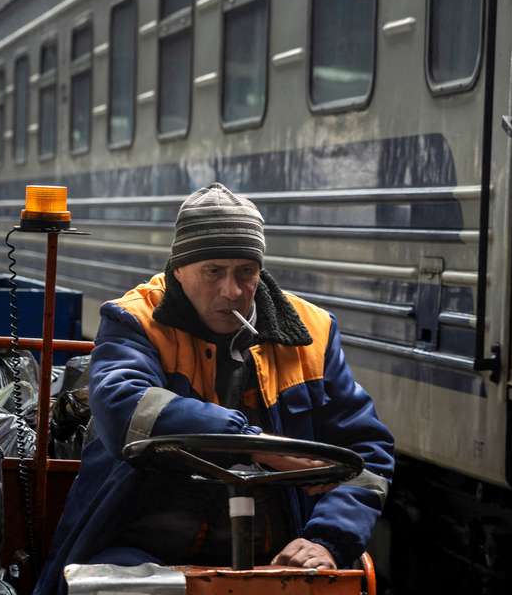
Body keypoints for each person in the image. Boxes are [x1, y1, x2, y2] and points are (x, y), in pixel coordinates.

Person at [37, 183, 394, 593]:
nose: (232, 291)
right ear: (178, 270)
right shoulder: (135, 320)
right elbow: (126, 408)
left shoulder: (313, 333)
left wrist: (326, 539)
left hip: (278, 550)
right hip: (140, 545)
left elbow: (367, 453)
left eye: (246, 271)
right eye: (213, 271)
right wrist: (254, 444)